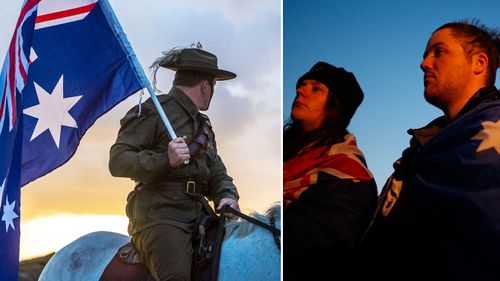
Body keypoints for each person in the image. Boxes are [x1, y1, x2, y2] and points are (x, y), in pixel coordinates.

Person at [357, 20, 500, 281]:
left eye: (439, 52)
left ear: (479, 63)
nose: (424, 64)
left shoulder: (494, 126)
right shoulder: (423, 149)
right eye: (425, 56)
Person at [109, 46, 240, 281]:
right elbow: (118, 160)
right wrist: (165, 160)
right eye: (213, 87)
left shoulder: (204, 126)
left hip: (200, 214)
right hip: (161, 215)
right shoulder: (154, 110)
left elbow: (217, 172)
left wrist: (227, 195)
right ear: (205, 86)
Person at [283, 62, 378, 280]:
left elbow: (314, 254)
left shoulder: (348, 175)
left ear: (336, 107)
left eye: (316, 88)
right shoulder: (282, 154)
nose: (301, 90)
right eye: (302, 85)